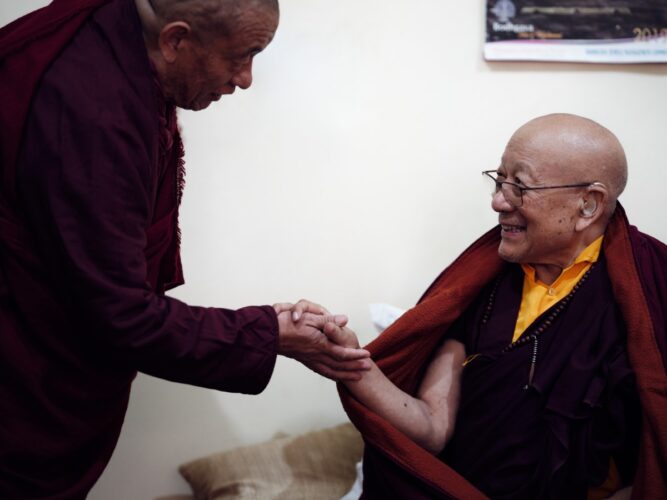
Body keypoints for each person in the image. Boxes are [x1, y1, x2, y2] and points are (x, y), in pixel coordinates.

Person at [0, 0, 370, 497]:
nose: (246, 79)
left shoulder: (121, 37)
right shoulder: (92, 109)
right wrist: (269, 334)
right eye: (242, 56)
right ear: (176, 40)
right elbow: (119, 316)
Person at [333, 114, 667, 499]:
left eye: (520, 187)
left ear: (588, 205)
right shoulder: (480, 285)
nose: (497, 202)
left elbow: (652, 463)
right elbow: (432, 429)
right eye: (499, 180)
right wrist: (348, 361)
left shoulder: (648, 294)